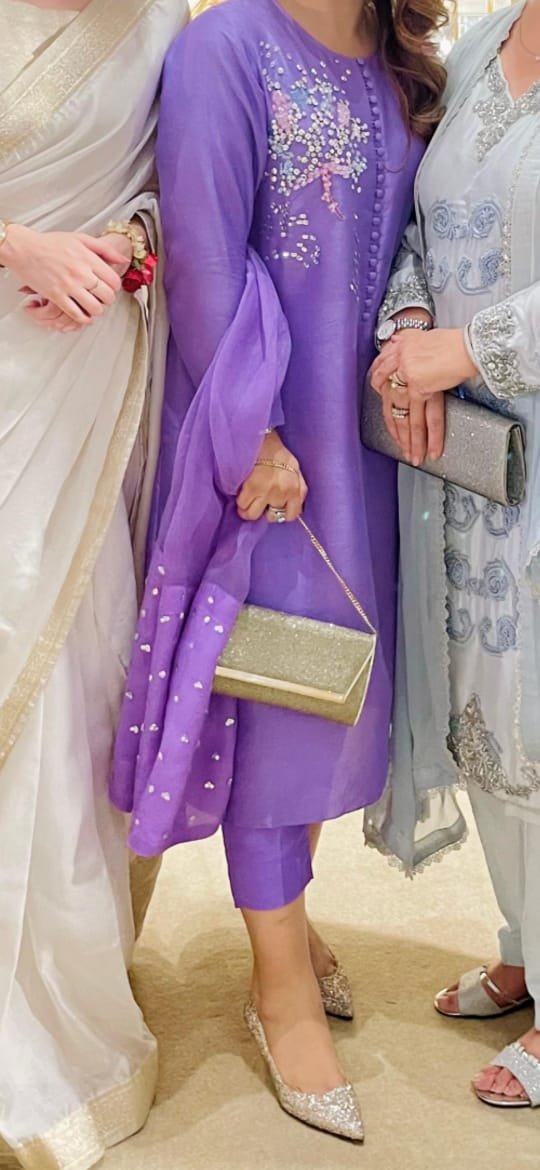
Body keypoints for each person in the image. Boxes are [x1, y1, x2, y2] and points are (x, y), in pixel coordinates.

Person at [111, 0, 446, 1141]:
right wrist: (254, 438)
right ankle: (279, 987)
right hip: (272, 451)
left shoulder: (400, 57)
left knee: (331, 691)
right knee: (272, 710)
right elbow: (204, 253)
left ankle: (289, 923)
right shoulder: (225, 48)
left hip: (374, 450)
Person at [0, 1, 187, 1167]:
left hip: (91, 378)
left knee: (77, 676)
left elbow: (183, 193)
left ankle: (55, 980)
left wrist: (126, 247)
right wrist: (19, 244)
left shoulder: (162, 17)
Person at [369, 0, 540, 1112]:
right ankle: (527, 945)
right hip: (473, 462)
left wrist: (466, 348)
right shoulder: (484, 42)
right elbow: (423, 228)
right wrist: (407, 326)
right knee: (489, 715)